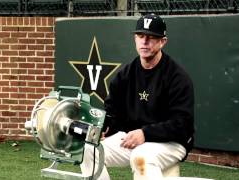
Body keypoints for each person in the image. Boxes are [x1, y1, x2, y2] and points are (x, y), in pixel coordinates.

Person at [80, 14, 194, 179]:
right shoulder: (125, 75)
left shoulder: (177, 77)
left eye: (151, 37)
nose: (144, 41)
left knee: (141, 156)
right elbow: (111, 113)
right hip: (133, 138)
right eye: (140, 36)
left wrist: (145, 133)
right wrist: (92, 124)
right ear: (135, 39)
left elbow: (181, 124)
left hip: (172, 142)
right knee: (88, 150)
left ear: (163, 41)